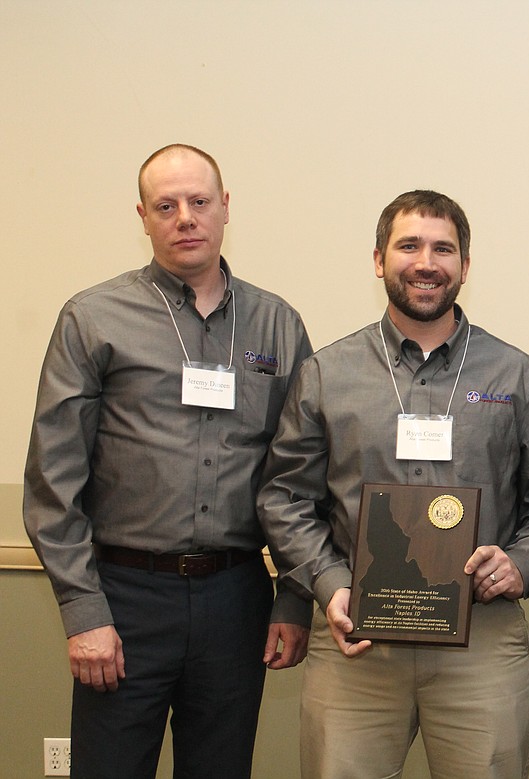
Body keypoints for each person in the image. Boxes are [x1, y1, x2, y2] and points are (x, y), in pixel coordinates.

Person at [257, 189, 529, 779]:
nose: (426, 262)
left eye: (443, 248)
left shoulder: (518, 376)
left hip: (479, 640)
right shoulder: (327, 374)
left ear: (465, 265)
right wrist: (330, 586)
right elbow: (284, 497)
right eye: (409, 246)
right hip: (354, 636)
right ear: (379, 259)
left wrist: (523, 562)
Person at [23, 143, 314, 779]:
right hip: (124, 599)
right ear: (144, 216)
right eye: (166, 205)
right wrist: (84, 613)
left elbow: (300, 480)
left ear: (225, 208)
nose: (185, 217)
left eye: (199, 201)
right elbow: (54, 483)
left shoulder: (278, 326)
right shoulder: (93, 318)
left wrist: (293, 601)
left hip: (237, 599)